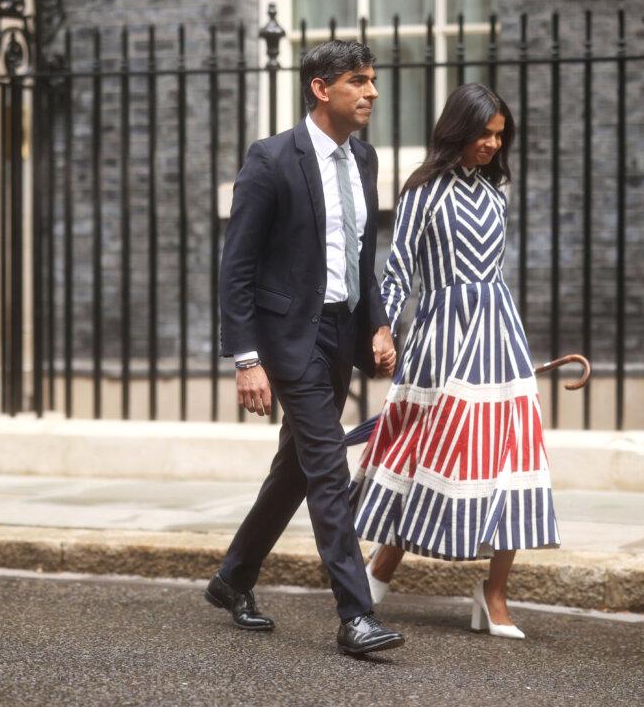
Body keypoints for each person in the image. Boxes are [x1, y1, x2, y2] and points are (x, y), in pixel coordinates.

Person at [204, 40, 404, 656]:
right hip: (290, 338)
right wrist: (246, 358)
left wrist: (377, 323)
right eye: (358, 81)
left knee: (295, 469)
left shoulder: (363, 159)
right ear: (321, 89)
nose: (371, 92)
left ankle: (233, 578)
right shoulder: (271, 159)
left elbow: (361, 254)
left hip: (342, 333)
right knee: (326, 466)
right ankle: (355, 615)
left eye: (372, 80)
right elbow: (235, 268)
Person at [349, 83, 560, 640]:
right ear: (458, 131)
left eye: (499, 136)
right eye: (483, 134)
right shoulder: (424, 191)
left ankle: (494, 597)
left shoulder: (498, 191)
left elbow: (490, 270)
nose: (492, 145)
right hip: (443, 337)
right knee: (428, 452)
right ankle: (380, 570)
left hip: (499, 333)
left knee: (513, 457)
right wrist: (381, 330)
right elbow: (398, 273)